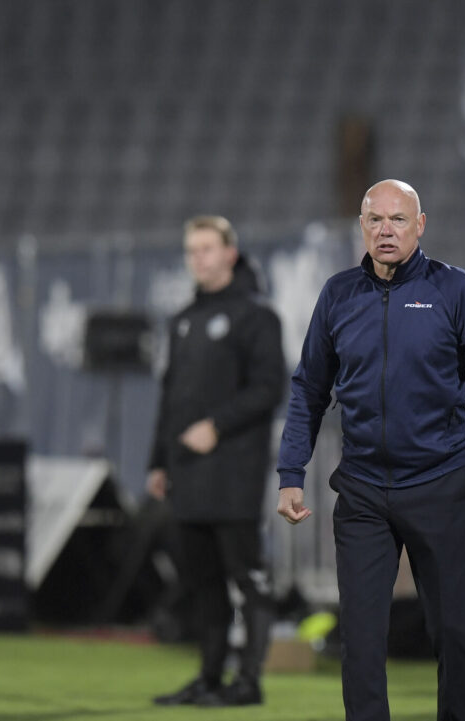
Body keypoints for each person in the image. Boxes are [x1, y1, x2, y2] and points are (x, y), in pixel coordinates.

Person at [275, 179, 465, 721]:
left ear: (420, 225)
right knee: (361, 640)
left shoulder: (456, 291)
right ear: (362, 227)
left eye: (397, 220)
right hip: (363, 491)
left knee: (454, 632)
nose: (385, 231)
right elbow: (308, 390)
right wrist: (290, 472)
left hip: (438, 485)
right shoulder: (338, 294)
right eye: (374, 220)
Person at [147, 215, 286, 706]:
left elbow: (271, 387)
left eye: (207, 248)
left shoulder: (255, 315)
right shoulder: (184, 319)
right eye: (191, 250)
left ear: (230, 253)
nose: (198, 258)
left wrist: (217, 426)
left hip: (234, 472)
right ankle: (209, 677)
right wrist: (158, 460)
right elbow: (170, 398)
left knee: (246, 578)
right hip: (187, 473)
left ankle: (248, 681)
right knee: (202, 581)